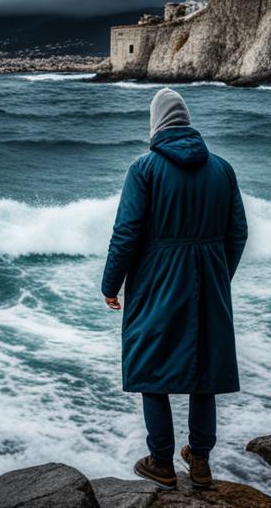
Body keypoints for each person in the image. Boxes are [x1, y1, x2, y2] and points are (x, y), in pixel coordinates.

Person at [101, 88, 247, 489]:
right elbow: (238, 232)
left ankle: (161, 462)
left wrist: (110, 284)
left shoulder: (144, 169)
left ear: (156, 123)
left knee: (152, 365)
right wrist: (219, 273)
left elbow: (126, 233)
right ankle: (199, 462)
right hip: (209, 279)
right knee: (205, 367)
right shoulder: (222, 168)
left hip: (156, 278)